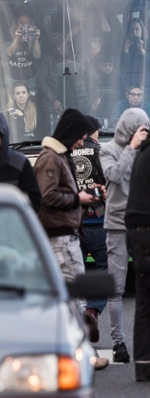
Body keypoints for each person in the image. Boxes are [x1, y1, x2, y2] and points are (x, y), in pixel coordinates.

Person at [34, 108, 110, 370]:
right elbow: (47, 197)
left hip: (63, 236)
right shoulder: (51, 159)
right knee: (77, 297)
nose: (82, 141)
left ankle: (67, 353)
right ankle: (84, 356)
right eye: (79, 136)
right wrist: (79, 199)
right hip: (61, 238)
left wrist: (86, 192)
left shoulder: (57, 157)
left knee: (65, 299)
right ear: (69, 134)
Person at [100, 108, 149, 364]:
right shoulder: (107, 149)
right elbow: (115, 176)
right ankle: (118, 342)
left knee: (146, 287)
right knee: (117, 287)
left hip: (143, 225)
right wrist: (131, 148)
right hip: (118, 223)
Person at [72, 116, 109, 342]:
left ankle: (76, 316)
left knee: (77, 269)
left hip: (74, 223)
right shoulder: (101, 153)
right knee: (105, 268)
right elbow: (109, 184)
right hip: (99, 222)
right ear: (93, 132)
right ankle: (93, 310)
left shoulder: (66, 154)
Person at [125, 135, 150, 381]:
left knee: (144, 301)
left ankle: (144, 365)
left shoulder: (144, 152)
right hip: (147, 231)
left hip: (136, 232)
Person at [36, 34, 92, 135]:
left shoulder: (78, 55)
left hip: (78, 103)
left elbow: (92, 77)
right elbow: (40, 80)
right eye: (54, 47)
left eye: (60, 45)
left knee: (79, 137)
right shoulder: (48, 58)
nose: (58, 49)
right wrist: (53, 100)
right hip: (56, 105)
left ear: (66, 42)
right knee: (55, 139)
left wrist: (75, 66)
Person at [4, 14, 42, 90]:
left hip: (30, 81)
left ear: (31, 25)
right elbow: (9, 53)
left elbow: (37, 56)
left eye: (27, 22)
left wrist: (36, 40)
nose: (24, 24)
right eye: (21, 22)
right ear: (16, 24)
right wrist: (16, 38)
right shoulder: (8, 38)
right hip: (11, 81)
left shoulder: (34, 40)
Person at [90, 52, 127, 124]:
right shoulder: (92, 76)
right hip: (94, 111)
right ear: (98, 65)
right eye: (105, 65)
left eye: (110, 65)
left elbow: (123, 94)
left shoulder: (117, 75)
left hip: (112, 111)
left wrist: (101, 96)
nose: (108, 68)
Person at [121, 18, 148, 87]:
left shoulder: (148, 43)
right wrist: (126, 50)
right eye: (131, 29)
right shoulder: (124, 44)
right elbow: (124, 65)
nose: (134, 32)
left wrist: (142, 50)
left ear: (142, 30)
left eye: (137, 29)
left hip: (145, 79)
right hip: (129, 80)